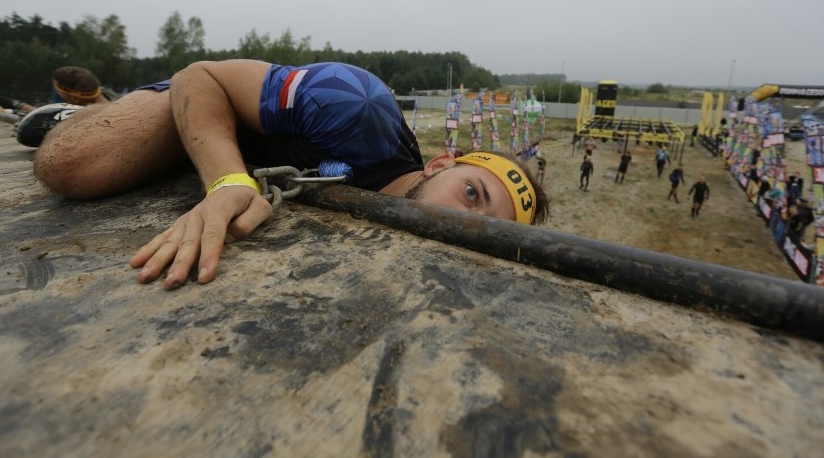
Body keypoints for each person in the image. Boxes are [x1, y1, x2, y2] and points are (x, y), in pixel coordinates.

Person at [30, 59, 549, 290]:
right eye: (471, 192)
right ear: (439, 164)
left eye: (487, 228)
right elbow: (201, 75)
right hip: (205, 107)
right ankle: (83, 112)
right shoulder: (360, 109)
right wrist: (228, 181)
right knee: (73, 166)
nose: (462, 218)